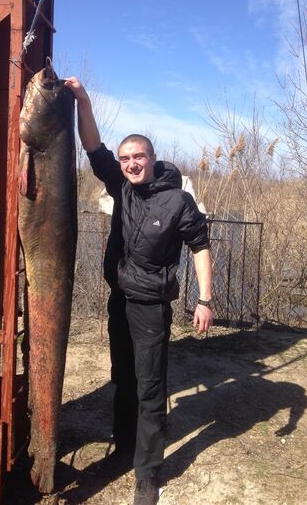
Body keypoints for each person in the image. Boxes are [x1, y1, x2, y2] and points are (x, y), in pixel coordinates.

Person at [65, 77, 213, 505]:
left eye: (138, 157)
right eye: (126, 158)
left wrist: (204, 300)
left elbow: (200, 247)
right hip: (120, 302)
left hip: (151, 308)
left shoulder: (178, 201)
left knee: (150, 388)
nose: (131, 164)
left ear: (152, 158)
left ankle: (147, 474)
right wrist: (83, 101)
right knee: (123, 380)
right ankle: (124, 450)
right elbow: (93, 147)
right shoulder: (121, 187)